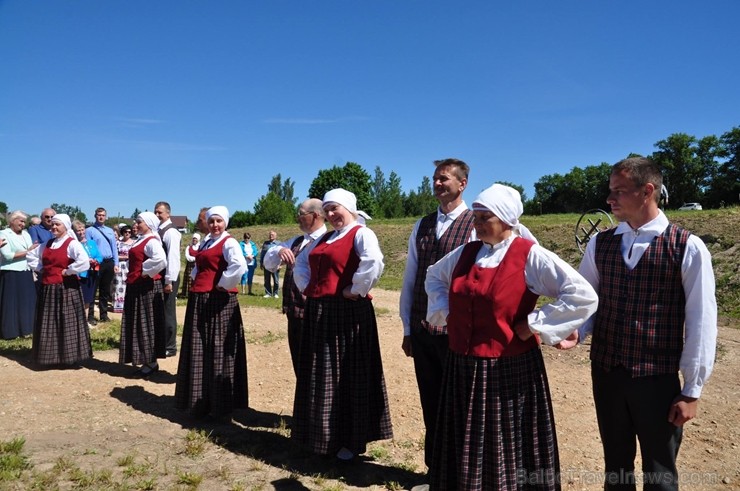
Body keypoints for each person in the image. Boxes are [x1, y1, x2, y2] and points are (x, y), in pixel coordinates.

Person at [424, 183, 598, 490]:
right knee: (466, 434)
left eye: (483, 217)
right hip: (462, 365)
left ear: (506, 219)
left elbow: (582, 295)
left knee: (504, 437)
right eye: (475, 216)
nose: (475, 224)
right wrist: (446, 312)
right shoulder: (465, 253)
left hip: (506, 367)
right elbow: (434, 277)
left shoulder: (529, 255)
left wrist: (535, 323)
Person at [577, 157, 717, 491]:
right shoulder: (601, 243)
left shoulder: (687, 246)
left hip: (657, 379)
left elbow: (702, 320)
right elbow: (584, 299)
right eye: (610, 191)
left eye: (619, 191)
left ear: (647, 191)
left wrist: (692, 389)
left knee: (660, 470)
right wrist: (576, 330)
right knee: (616, 465)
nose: (610, 200)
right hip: (607, 372)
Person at [292, 188, 393, 461]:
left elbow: (374, 262)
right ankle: (323, 436)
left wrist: (356, 289)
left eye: (336, 208)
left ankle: (351, 439)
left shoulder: (361, 233)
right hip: (320, 311)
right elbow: (300, 264)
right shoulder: (324, 238)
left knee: (348, 374)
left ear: (349, 207)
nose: (331, 214)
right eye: (327, 209)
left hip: (348, 313)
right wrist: (308, 287)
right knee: (321, 374)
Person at [398, 158, 476, 471]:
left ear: (463, 183)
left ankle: (461, 472)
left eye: (444, 178)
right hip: (422, 330)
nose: (438, 184)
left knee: (460, 405)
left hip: (458, 335)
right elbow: (410, 279)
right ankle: (436, 471)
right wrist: (407, 328)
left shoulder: (475, 224)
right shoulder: (423, 224)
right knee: (430, 401)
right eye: (435, 179)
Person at [175, 206, 248, 421]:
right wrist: (198, 281)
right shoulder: (207, 241)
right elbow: (199, 266)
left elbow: (239, 265)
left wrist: (223, 284)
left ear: (225, 222)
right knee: (200, 348)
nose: (215, 225)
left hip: (218, 299)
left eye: (219, 221)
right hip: (200, 298)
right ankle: (200, 399)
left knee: (217, 348)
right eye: (212, 221)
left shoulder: (229, 242)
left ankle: (220, 404)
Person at [263, 198, 327, 376]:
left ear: (315, 216)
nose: (297, 218)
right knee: (300, 363)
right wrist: (279, 250)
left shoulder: (329, 240)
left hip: (319, 313)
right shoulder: (296, 241)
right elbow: (268, 263)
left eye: (300, 214)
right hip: (295, 312)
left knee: (319, 364)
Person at [27, 214, 92, 367]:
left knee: (68, 321)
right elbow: (31, 256)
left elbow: (83, 262)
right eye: (53, 224)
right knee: (49, 321)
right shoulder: (47, 244)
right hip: (48, 287)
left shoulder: (72, 244)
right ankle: (51, 356)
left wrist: (68, 271)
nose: (54, 227)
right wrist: (41, 268)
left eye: (58, 225)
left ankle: (70, 357)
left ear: (66, 227)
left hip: (66, 288)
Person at [119, 212, 167, 377]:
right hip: (136, 285)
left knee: (146, 322)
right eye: (136, 221)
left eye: (139, 222)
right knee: (138, 322)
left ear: (148, 223)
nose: (136, 224)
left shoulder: (152, 241)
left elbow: (161, 260)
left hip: (146, 286)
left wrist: (145, 272)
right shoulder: (141, 239)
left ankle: (151, 361)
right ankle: (145, 359)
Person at [0, 211, 38, 339]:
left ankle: (26, 329)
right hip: (11, 272)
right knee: (11, 303)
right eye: (20, 221)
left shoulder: (26, 234)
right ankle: (11, 331)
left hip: (25, 271)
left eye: (24, 221)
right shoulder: (4, 234)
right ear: (12, 221)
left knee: (26, 301)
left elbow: (31, 251)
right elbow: (8, 256)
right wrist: (28, 251)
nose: (23, 224)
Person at [154, 201, 182, 357]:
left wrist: (169, 280)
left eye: (160, 212)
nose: (158, 215)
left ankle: (170, 346)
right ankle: (162, 341)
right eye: (156, 212)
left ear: (168, 213)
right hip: (161, 276)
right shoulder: (159, 230)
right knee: (161, 309)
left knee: (168, 310)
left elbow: (173, 258)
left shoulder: (170, 232)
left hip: (168, 276)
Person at [85, 207, 119, 323]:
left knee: (105, 290)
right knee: (93, 289)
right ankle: (90, 316)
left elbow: (114, 248)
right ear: (95, 216)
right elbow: (88, 247)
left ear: (106, 216)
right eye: (99, 215)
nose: (101, 217)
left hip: (109, 262)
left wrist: (116, 263)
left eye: (103, 215)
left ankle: (104, 315)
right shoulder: (89, 230)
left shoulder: (109, 230)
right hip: (97, 263)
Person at [73, 219, 103, 328]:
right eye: (78, 230)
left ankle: (84, 322)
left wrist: (96, 261)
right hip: (80, 274)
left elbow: (100, 256)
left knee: (88, 299)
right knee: (80, 298)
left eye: (82, 230)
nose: (81, 232)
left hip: (92, 273)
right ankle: (76, 321)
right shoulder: (74, 244)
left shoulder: (91, 242)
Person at [112, 224, 134, 313]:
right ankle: (118, 306)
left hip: (129, 266)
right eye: (125, 232)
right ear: (122, 233)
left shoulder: (134, 243)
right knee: (118, 285)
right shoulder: (118, 243)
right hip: (119, 266)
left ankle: (128, 305)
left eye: (129, 232)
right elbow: (115, 254)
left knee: (128, 284)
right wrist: (121, 257)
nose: (127, 233)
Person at [179, 233, 200, 298]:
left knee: (196, 278)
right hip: (190, 265)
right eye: (193, 238)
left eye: (195, 239)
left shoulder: (200, 247)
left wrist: (196, 259)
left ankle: (196, 292)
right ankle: (187, 294)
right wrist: (194, 258)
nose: (194, 240)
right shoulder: (189, 247)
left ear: (198, 239)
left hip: (197, 265)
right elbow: (187, 256)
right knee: (189, 278)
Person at [260, 230, 280, 297]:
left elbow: (281, 255)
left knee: (276, 280)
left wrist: (280, 264)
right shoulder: (265, 243)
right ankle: (268, 293)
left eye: (272, 235)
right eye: (270, 234)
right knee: (267, 279)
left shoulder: (279, 243)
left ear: (275, 236)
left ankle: (275, 293)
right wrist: (261, 263)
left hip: (275, 265)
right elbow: (262, 253)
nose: (271, 236)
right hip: (266, 264)